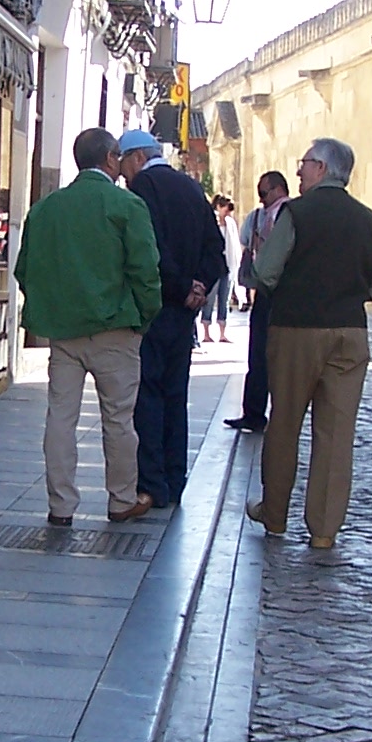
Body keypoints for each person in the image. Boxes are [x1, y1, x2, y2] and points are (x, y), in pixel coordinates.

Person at [14, 127, 163, 526]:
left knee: (61, 416)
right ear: (112, 159)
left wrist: (52, 309)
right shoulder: (126, 206)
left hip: (64, 332)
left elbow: (25, 270)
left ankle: (60, 505)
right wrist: (146, 315)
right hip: (116, 327)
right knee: (118, 418)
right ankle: (120, 500)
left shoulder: (45, 209)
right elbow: (145, 269)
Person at [247, 138, 372, 551]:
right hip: (350, 332)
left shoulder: (298, 213)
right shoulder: (370, 221)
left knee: (286, 422)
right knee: (336, 433)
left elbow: (265, 271)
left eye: (305, 164)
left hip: (297, 328)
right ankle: (324, 529)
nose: (298, 172)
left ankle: (275, 514)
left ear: (322, 169)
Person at [117, 130, 226, 510]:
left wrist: (182, 287)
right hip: (184, 313)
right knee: (175, 395)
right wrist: (200, 287)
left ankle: (153, 484)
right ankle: (175, 479)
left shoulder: (145, 185)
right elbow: (217, 249)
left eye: (123, 168)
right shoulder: (191, 187)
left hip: (156, 307)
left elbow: (151, 250)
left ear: (135, 159)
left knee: (147, 395)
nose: (123, 178)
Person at [223, 171, 290, 433]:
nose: (261, 199)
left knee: (273, 355)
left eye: (264, 193)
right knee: (258, 352)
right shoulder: (261, 215)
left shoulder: (289, 213)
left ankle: (271, 413)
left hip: (281, 291)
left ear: (277, 189)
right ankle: (253, 412)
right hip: (265, 290)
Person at [198, 196, 240, 343]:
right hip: (214, 266)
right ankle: (206, 332)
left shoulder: (230, 224)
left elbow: (234, 244)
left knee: (224, 299)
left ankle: (222, 332)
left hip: (227, 266)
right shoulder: (211, 222)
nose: (228, 213)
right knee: (209, 300)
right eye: (227, 209)